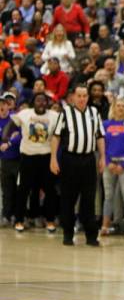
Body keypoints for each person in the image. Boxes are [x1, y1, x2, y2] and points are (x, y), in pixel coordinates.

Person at [51, 85, 105, 245]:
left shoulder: (94, 113)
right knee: (68, 197)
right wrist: (53, 158)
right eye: (79, 95)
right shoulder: (65, 113)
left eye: (84, 96)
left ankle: (91, 235)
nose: (82, 99)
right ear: (73, 97)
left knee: (89, 198)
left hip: (88, 160)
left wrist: (102, 157)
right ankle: (68, 233)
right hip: (70, 160)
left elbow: (100, 136)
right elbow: (56, 137)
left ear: (88, 97)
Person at [3, 92, 59, 233]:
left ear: (47, 103)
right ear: (33, 102)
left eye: (44, 101)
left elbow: (60, 134)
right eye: (38, 100)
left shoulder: (54, 115)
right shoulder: (25, 113)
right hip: (27, 157)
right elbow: (10, 124)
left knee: (50, 190)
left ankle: (50, 220)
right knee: (23, 190)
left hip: (46, 157)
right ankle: (19, 220)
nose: (41, 103)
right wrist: (5, 137)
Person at [101, 98, 124, 239]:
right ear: (114, 108)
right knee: (108, 196)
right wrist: (108, 161)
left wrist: (123, 164)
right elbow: (102, 144)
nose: (121, 108)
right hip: (109, 164)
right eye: (118, 106)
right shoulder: (105, 124)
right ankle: (105, 226)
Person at [0, 92, 21, 226]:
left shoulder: (15, 119)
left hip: (18, 159)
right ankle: (6, 216)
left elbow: (21, 135)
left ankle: (17, 215)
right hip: (4, 161)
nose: (2, 107)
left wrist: (9, 143)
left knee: (18, 189)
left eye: (4, 104)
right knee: (6, 189)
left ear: (9, 106)